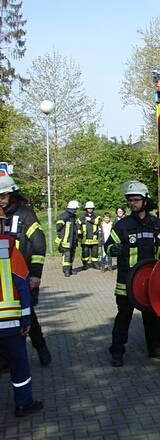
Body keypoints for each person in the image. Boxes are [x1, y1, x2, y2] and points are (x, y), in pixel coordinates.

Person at [104, 181, 160, 367]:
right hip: (126, 282)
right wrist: (112, 249)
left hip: (149, 282)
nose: (132, 203)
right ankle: (117, 352)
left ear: (145, 200)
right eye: (130, 200)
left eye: (136, 199)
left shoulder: (157, 225)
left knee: (152, 318)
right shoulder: (122, 225)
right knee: (123, 319)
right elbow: (108, 246)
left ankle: (155, 349)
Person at [0, 176, 51, 366]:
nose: (0, 200)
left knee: (28, 315)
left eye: (3, 195)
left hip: (22, 276)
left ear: (12, 194)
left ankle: (41, 348)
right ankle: (6, 359)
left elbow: (38, 242)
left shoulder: (25, 214)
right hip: (2, 281)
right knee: (3, 320)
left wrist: (36, 274)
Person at [0, 207, 44, 417]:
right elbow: (22, 286)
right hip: (10, 322)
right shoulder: (8, 248)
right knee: (19, 365)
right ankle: (23, 404)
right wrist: (26, 318)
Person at [56, 200, 80, 277]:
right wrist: (62, 236)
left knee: (71, 255)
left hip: (72, 240)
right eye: (75, 209)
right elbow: (58, 227)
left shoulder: (72, 216)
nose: (76, 210)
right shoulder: (64, 216)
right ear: (73, 208)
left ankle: (69, 269)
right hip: (66, 240)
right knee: (67, 255)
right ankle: (66, 270)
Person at [77, 201, 101, 270]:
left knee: (95, 253)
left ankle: (95, 264)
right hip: (85, 239)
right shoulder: (82, 217)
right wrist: (79, 235)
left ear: (93, 208)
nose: (90, 209)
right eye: (88, 208)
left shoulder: (96, 216)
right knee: (85, 253)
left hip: (94, 238)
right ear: (86, 208)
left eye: (91, 208)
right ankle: (85, 264)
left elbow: (99, 222)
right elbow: (78, 224)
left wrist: (90, 220)